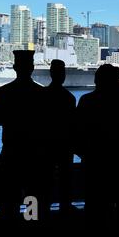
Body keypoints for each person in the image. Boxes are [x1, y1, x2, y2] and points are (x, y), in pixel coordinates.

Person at [0, 50, 45, 222]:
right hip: (35, 156)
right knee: (34, 200)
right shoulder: (41, 94)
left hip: (11, 155)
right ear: (33, 67)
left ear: (15, 67)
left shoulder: (3, 93)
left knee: (8, 203)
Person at [76, 64, 119, 222]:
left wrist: (83, 153)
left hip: (92, 158)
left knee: (93, 199)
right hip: (115, 159)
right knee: (115, 201)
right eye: (116, 80)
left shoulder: (86, 100)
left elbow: (76, 131)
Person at [43, 60, 77, 216]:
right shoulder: (69, 98)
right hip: (65, 145)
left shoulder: (41, 96)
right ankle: (66, 207)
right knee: (65, 179)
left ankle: (40, 211)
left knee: (44, 180)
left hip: (45, 145)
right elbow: (74, 125)